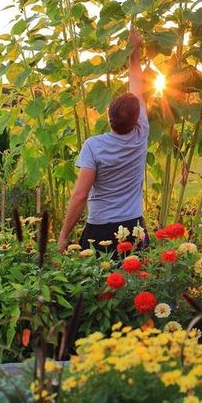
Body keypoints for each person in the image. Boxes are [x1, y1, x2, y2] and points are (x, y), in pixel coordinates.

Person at [57, 28, 149, 254]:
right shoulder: (141, 132)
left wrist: (63, 235)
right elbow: (137, 83)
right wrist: (134, 53)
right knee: (136, 285)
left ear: (109, 117)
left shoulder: (93, 146)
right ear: (136, 119)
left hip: (100, 229)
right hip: (134, 225)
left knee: (97, 287)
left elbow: (80, 196)